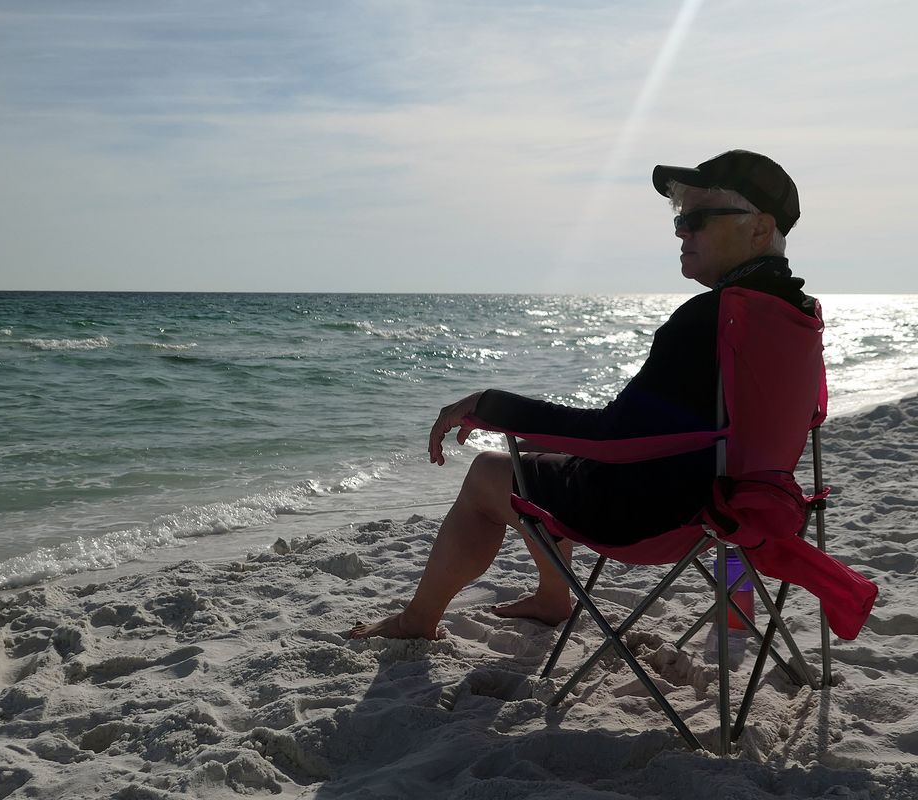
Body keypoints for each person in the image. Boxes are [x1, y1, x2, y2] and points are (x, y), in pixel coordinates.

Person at [349, 150, 816, 640]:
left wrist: (489, 405)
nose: (682, 231)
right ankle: (555, 597)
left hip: (656, 514)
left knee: (488, 473)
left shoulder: (711, 318)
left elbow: (615, 438)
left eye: (698, 218)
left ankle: (415, 622)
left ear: (760, 229)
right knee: (537, 457)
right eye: (680, 218)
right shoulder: (796, 314)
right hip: (739, 504)